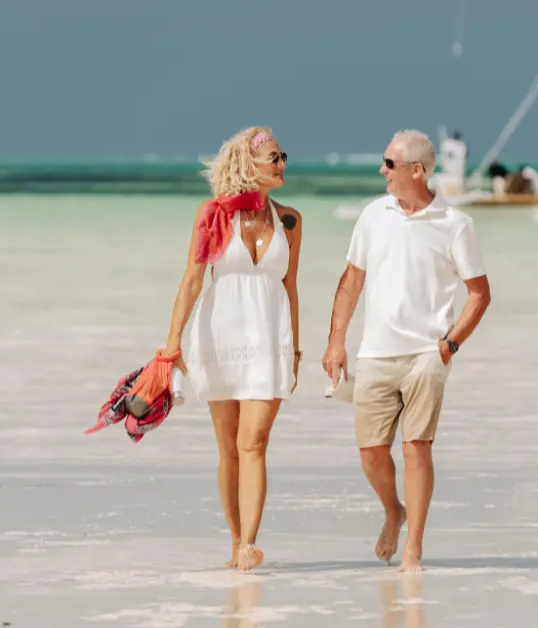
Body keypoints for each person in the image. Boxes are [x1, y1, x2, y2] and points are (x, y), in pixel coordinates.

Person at [322, 129, 491, 572]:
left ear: (416, 171)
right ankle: (393, 510)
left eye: (389, 164)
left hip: (427, 356)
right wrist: (336, 341)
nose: (382, 170)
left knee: (417, 447)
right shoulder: (373, 215)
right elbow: (351, 281)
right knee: (371, 452)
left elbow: (479, 294)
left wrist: (448, 346)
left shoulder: (456, 225)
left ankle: (413, 547)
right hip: (374, 353)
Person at [160, 126, 302, 571]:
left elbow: (290, 287)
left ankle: (250, 543)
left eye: (283, 157)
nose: (282, 165)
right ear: (249, 163)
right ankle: (236, 540)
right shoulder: (213, 216)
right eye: (274, 157)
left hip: (270, 339)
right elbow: (191, 281)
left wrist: (295, 349)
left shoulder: (292, 220)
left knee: (254, 440)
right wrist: (171, 345)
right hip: (219, 338)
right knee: (229, 446)